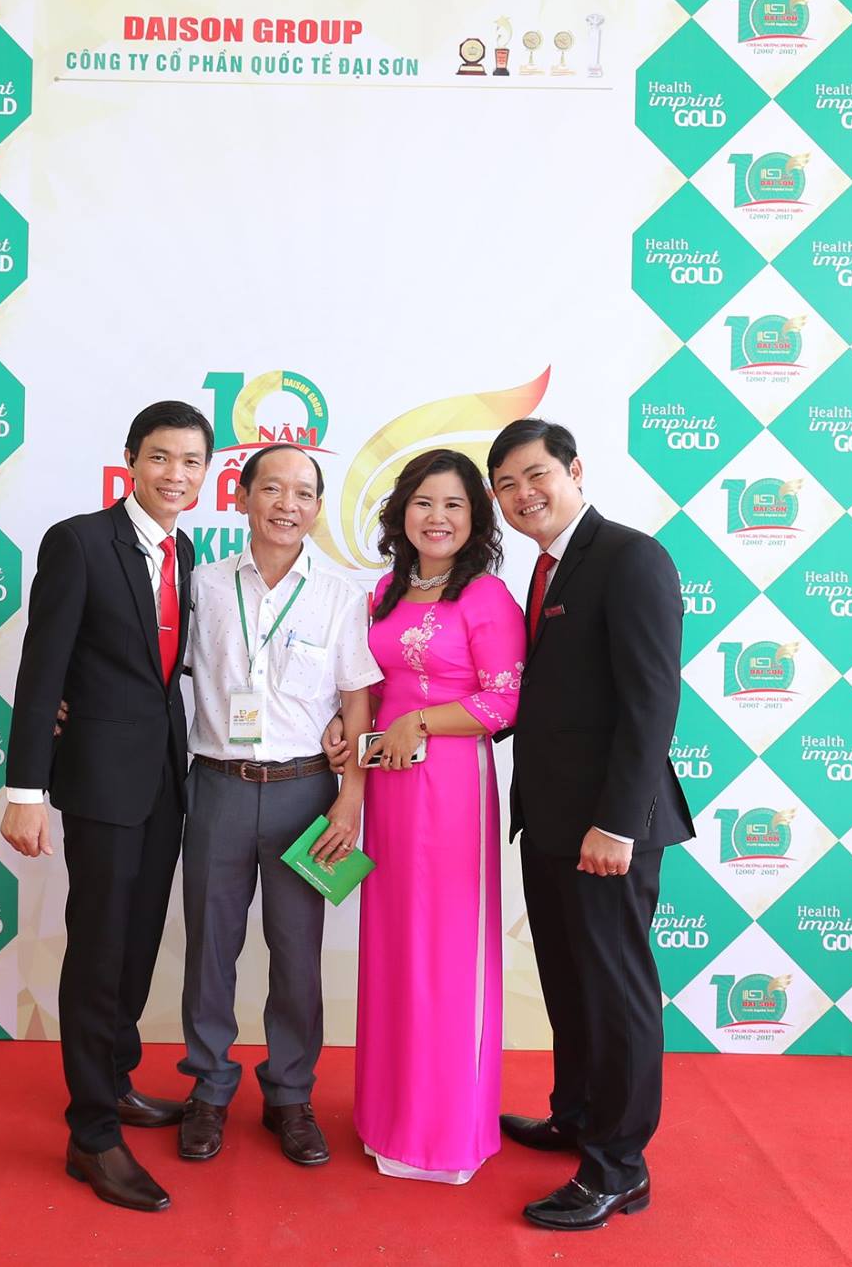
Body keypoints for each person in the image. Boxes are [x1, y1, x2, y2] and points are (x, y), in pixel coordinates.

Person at [1, 400, 214, 1213]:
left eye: (191, 462)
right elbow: (42, 671)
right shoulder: (79, 541)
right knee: (97, 951)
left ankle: (115, 1079)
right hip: (97, 782)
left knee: (137, 944)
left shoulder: (184, 551)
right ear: (130, 460)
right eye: (160, 457)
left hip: (164, 779)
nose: (175, 474)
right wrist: (26, 791)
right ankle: (90, 1133)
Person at [487, 418, 693, 1231]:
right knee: (569, 983)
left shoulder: (630, 556)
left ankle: (618, 1166)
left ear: (575, 471)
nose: (523, 493)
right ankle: (575, 1115)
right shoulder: (544, 569)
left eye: (536, 474)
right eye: (506, 484)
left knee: (616, 992)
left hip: (608, 829)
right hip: (550, 821)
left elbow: (652, 702)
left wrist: (616, 823)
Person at [176, 444, 380, 1167]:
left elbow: (358, 700)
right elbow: (154, 666)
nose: (286, 504)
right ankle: (208, 1089)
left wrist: (350, 799)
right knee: (210, 948)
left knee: (297, 954)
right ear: (241, 497)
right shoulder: (201, 584)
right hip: (218, 787)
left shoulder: (342, 594)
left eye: (302, 493)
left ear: (317, 508)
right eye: (271, 488)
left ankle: (290, 1094)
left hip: (306, 792)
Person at [354, 448, 525, 1184]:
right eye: (424, 502)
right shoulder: (384, 592)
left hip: (452, 790)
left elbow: (506, 699)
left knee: (445, 954)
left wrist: (419, 722)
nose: (438, 517)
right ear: (402, 512)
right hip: (385, 788)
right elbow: (366, 683)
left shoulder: (485, 597)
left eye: (454, 504)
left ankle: (445, 1131)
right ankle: (387, 1118)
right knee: (393, 946)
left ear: (475, 518)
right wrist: (347, 730)